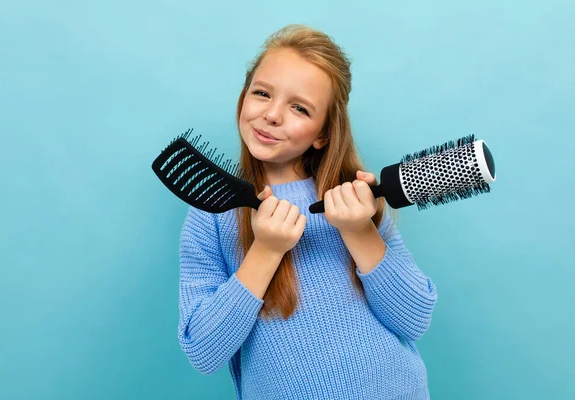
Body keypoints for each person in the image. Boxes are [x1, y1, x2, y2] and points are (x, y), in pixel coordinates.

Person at [178, 24, 438, 400]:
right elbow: (203, 349)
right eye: (262, 94)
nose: (272, 115)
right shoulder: (213, 212)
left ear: (323, 133)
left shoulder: (356, 202)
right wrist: (266, 250)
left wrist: (359, 230)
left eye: (299, 108)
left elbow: (413, 319)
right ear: (242, 97)